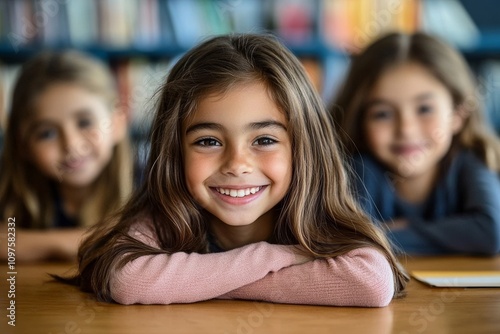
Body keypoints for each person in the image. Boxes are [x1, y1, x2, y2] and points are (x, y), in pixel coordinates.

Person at [64, 33, 408, 307]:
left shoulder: (320, 222)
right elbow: (130, 279)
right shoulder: (164, 220)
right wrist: (277, 257)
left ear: (304, 148)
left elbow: (372, 283)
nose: (237, 165)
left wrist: (188, 284)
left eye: (264, 139)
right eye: (209, 142)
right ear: (175, 152)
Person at [333, 32, 500, 255]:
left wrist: (403, 231)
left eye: (424, 109)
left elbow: (491, 233)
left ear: (458, 115)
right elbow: (350, 242)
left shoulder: (472, 160)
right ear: (360, 121)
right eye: (382, 114)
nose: (406, 129)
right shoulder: (360, 169)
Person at [0, 51, 133, 261]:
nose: (71, 145)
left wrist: (24, 243)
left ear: (117, 124)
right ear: (23, 146)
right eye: (47, 133)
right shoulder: (10, 195)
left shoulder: (152, 184)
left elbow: (131, 242)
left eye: (85, 123)